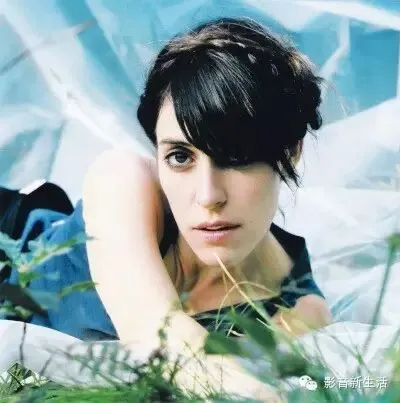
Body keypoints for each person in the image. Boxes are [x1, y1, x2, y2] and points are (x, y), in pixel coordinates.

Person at [3, 16, 332, 400]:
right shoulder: (123, 179)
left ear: (291, 151)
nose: (207, 196)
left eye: (237, 157)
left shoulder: (298, 305)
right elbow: (156, 335)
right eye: (180, 157)